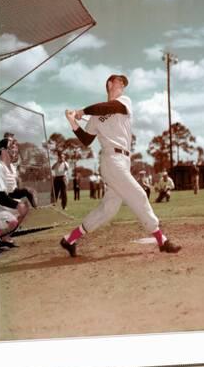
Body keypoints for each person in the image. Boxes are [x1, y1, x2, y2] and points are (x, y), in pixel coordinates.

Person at [59, 74, 181, 257]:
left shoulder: (123, 102)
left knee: (108, 210)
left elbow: (109, 107)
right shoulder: (95, 116)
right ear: (109, 84)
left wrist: (83, 112)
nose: (123, 84)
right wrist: (73, 122)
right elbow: (86, 140)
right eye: (119, 81)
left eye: (124, 82)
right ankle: (161, 240)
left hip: (123, 160)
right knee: (139, 195)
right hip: (111, 160)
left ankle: (69, 239)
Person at [0, 138, 32, 249]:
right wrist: (17, 205)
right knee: (12, 222)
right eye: (11, 146)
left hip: (0, 205)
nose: (15, 148)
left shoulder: (11, 167)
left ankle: (5, 238)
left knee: (24, 207)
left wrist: (26, 191)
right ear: (2, 151)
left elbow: (13, 192)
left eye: (15, 146)